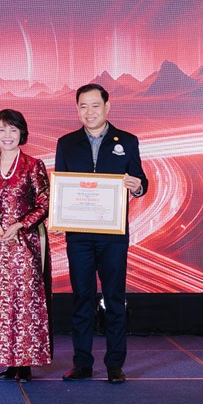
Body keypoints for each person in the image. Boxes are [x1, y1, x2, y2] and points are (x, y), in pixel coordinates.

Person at [55, 84, 148, 384]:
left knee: (114, 299)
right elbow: (61, 186)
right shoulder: (66, 143)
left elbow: (141, 180)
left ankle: (114, 365)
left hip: (113, 235)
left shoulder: (128, 141)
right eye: (83, 106)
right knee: (82, 299)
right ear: (77, 109)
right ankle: (82, 363)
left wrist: (138, 186)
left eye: (95, 105)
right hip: (79, 235)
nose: (89, 112)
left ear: (107, 107)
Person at [0, 109, 51, 382]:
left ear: (22, 133)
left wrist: (20, 225)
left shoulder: (33, 165)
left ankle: (25, 362)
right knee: (0, 303)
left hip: (26, 243)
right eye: (2, 129)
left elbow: (44, 204)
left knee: (26, 301)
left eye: (13, 129)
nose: (7, 135)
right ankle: (7, 360)